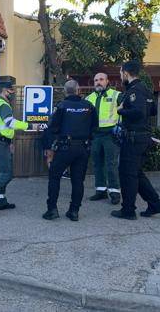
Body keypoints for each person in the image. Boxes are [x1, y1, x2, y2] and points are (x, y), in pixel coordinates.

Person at [111, 60, 160, 220]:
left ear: (126, 73)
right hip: (143, 138)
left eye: (121, 73)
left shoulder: (135, 91)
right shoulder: (147, 90)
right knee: (136, 173)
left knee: (127, 174)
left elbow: (139, 112)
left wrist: (121, 111)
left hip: (134, 139)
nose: (121, 75)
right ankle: (155, 204)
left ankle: (128, 211)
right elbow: (154, 111)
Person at [0, 76, 39, 214]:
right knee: (7, 174)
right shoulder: (3, 105)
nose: (12, 94)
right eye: (11, 91)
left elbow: (3, 127)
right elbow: (10, 123)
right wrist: (30, 125)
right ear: (5, 91)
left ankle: (1, 201)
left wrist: (10, 142)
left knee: (3, 172)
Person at [42, 80, 98, 221]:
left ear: (65, 92)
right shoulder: (89, 106)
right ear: (79, 91)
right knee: (78, 181)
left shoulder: (61, 106)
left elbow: (52, 129)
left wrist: (48, 149)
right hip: (83, 149)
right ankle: (74, 211)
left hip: (64, 148)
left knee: (54, 178)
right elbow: (95, 128)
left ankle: (52, 210)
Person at [86, 73, 122, 204]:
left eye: (101, 79)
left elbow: (124, 112)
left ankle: (114, 192)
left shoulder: (116, 95)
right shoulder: (89, 98)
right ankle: (101, 190)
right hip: (96, 135)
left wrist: (120, 126)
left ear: (107, 81)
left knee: (110, 164)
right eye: (96, 80)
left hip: (110, 134)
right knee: (97, 163)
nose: (98, 82)